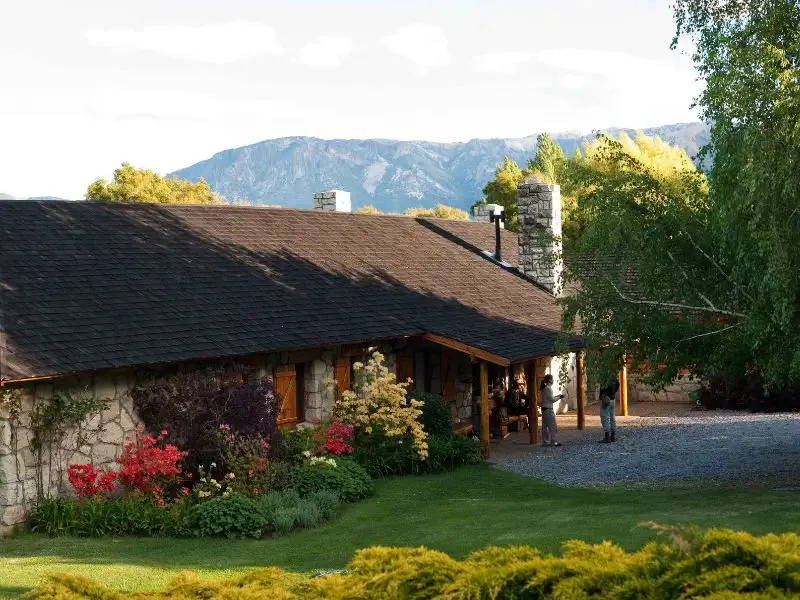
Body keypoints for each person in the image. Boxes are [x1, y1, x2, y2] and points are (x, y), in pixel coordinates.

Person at [540, 374, 563, 447]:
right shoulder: (548, 388)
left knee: (545, 427)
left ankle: (545, 442)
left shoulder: (544, 388)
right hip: (548, 410)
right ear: (549, 380)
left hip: (544, 410)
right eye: (552, 379)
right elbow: (552, 400)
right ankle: (553, 442)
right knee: (553, 426)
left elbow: (549, 398)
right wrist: (559, 397)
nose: (553, 380)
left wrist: (558, 396)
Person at [599, 377, 620, 443]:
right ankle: (613, 436)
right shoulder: (613, 376)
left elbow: (603, 388)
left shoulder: (604, 376)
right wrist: (613, 393)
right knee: (612, 417)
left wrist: (605, 395)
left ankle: (607, 437)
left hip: (606, 399)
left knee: (605, 418)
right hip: (612, 399)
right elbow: (618, 384)